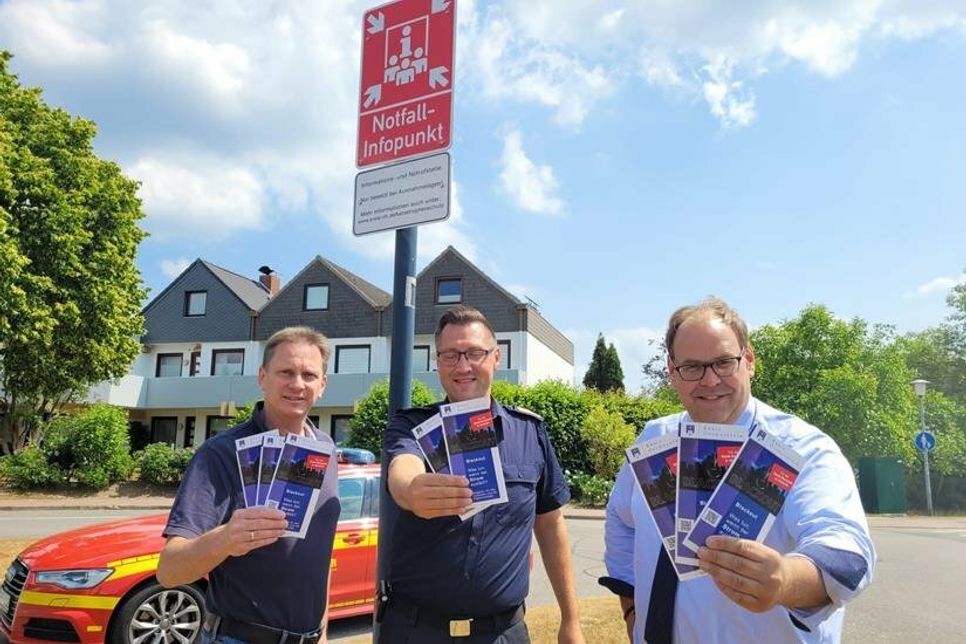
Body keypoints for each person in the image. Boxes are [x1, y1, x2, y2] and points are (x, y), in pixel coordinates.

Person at [603, 297, 875, 643]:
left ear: (748, 361)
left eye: (723, 362)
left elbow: (847, 549)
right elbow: (621, 520)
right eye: (692, 367)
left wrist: (785, 579)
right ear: (672, 372)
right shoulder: (655, 438)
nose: (710, 380)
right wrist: (631, 609)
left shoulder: (804, 448)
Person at [380, 305, 585, 644]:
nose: (462, 366)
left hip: (502, 634)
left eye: (474, 353)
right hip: (415, 631)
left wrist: (571, 619)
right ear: (437, 361)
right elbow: (402, 470)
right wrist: (413, 489)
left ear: (496, 357)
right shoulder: (411, 426)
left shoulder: (529, 432)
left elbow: (550, 525)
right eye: (450, 355)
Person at [157, 326, 340, 644]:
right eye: (286, 372)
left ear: (323, 385)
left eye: (309, 375)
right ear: (262, 377)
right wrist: (226, 538)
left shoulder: (325, 450)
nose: (297, 384)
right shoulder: (221, 453)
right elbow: (170, 570)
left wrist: (321, 632)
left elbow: (317, 558)